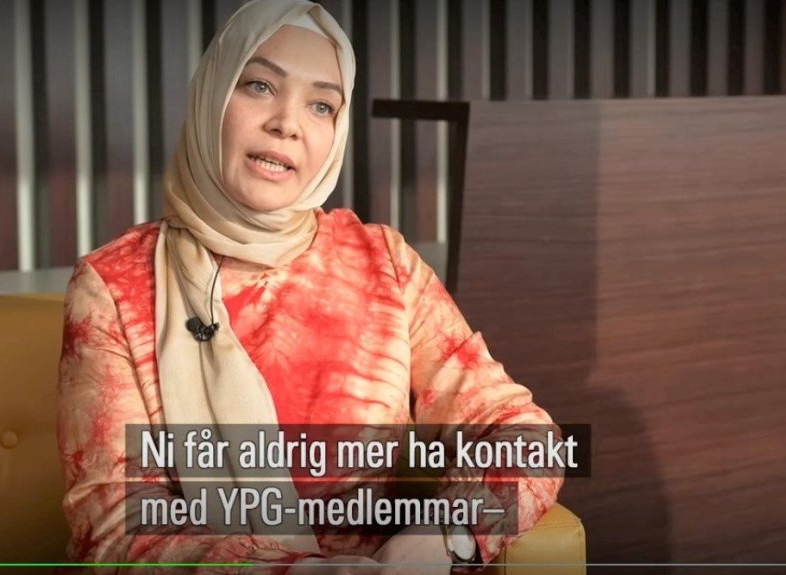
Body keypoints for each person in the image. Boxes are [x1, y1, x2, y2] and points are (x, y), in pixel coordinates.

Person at [57, 0, 562, 573]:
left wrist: (447, 538)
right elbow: (115, 531)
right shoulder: (113, 285)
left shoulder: (383, 263)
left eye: (321, 104)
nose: (287, 123)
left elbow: (527, 438)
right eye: (259, 86)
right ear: (211, 98)